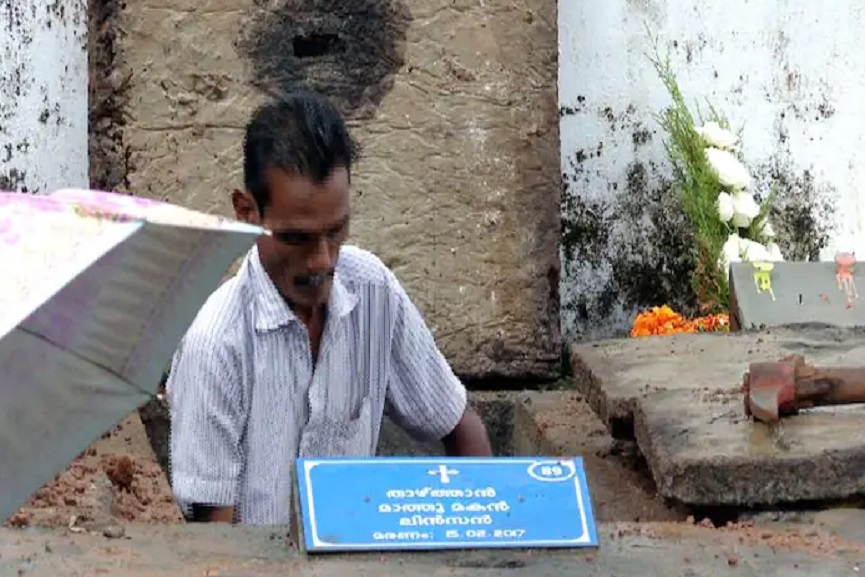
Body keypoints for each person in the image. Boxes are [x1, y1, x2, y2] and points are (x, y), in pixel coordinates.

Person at [167, 90, 493, 525]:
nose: (323, 260)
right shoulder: (215, 345)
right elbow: (213, 545)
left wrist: (485, 543)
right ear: (247, 214)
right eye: (296, 238)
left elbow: (460, 425)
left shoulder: (374, 291)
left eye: (337, 231)